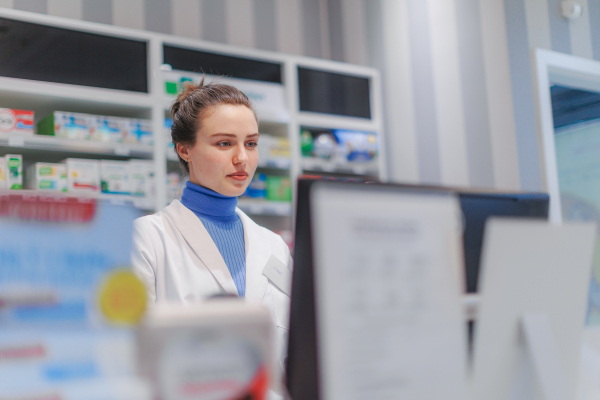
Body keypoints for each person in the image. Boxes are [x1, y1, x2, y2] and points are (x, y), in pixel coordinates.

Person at [131, 81, 292, 397]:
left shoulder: (273, 247)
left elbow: (288, 359)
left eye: (251, 143)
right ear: (184, 149)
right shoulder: (147, 238)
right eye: (224, 144)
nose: (242, 158)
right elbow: (134, 361)